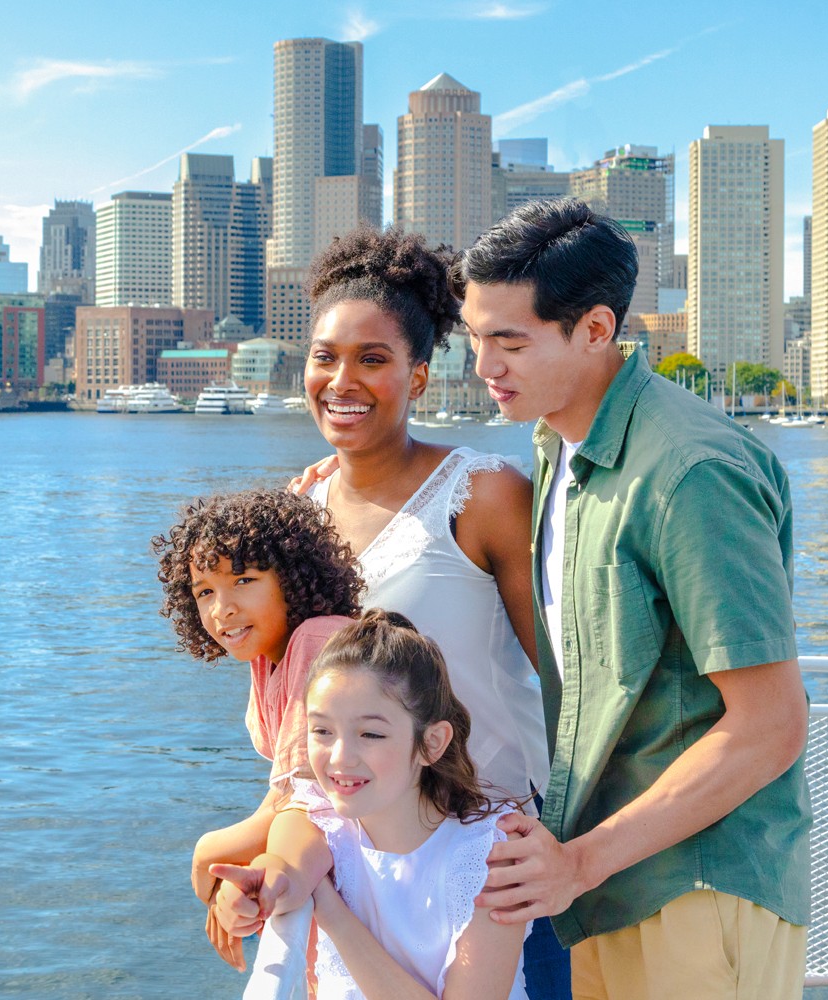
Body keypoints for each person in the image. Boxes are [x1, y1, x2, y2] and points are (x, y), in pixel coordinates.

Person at [456, 198, 812, 999]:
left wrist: (577, 862)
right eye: (476, 337)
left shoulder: (691, 472)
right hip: (604, 884)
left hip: (694, 888)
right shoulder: (558, 444)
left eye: (510, 342)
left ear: (595, 330)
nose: (484, 366)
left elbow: (770, 727)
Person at [291, 226, 570, 994]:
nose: (342, 380)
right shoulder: (300, 507)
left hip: (494, 863)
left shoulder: (484, 495)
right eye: (324, 356)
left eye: (372, 360)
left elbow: (561, 677)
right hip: (361, 856)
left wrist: (572, 836)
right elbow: (288, 701)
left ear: (417, 377)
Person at [211, 609, 529, 999]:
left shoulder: (493, 859)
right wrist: (248, 894)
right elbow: (282, 871)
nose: (341, 757)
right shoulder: (320, 816)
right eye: (322, 730)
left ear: (432, 742)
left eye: (371, 733)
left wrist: (331, 911)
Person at [151, 488, 364, 971]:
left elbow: (304, 799)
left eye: (243, 580)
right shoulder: (269, 655)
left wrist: (208, 854)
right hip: (329, 857)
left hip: (366, 865)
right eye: (204, 591)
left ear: (292, 578)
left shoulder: (317, 639)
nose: (221, 609)